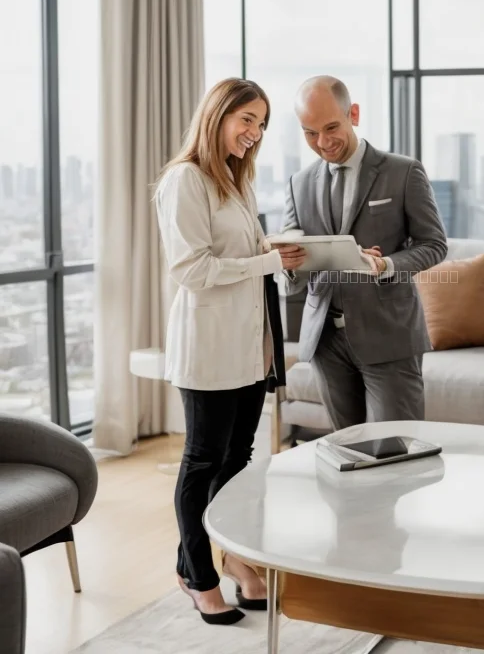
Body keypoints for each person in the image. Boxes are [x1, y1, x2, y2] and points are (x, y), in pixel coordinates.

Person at [154, 78, 305, 626]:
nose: (254, 132)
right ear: (218, 115)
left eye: (261, 124)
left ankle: (235, 556)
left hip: (247, 345)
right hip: (209, 348)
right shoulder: (185, 181)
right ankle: (198, 575)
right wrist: (267, 262)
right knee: (203, 462)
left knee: (237, 463)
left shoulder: (238, 182)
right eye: (247, 119)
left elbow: (243, 254)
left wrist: (279, 249)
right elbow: (191, 270)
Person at [277, 75, 447, 430]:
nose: (322, 142)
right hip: (326, 341)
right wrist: (289, 265)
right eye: (310, 132)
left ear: (353, 113)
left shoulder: (403, 172)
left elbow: (434, 245)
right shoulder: (299, 184)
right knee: (348, 449)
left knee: (397, 449)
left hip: (388, 335)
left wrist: (386, 264)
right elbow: (292, 271)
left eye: (331, 127)